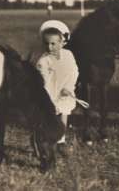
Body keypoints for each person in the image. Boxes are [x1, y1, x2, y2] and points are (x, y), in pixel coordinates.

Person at [36, 20, 79, 153]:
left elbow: (74, 71)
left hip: (65, 91)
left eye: (53, 43)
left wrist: (69, 87)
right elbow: (43, 81)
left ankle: (61, 140)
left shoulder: (68, 55)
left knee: (64, 113)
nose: (49, 47)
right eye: (46, 43)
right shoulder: (43, 61)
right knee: (50, 117)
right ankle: (45, 140)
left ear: (62, 43)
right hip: (50, 92)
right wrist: (49, 97)